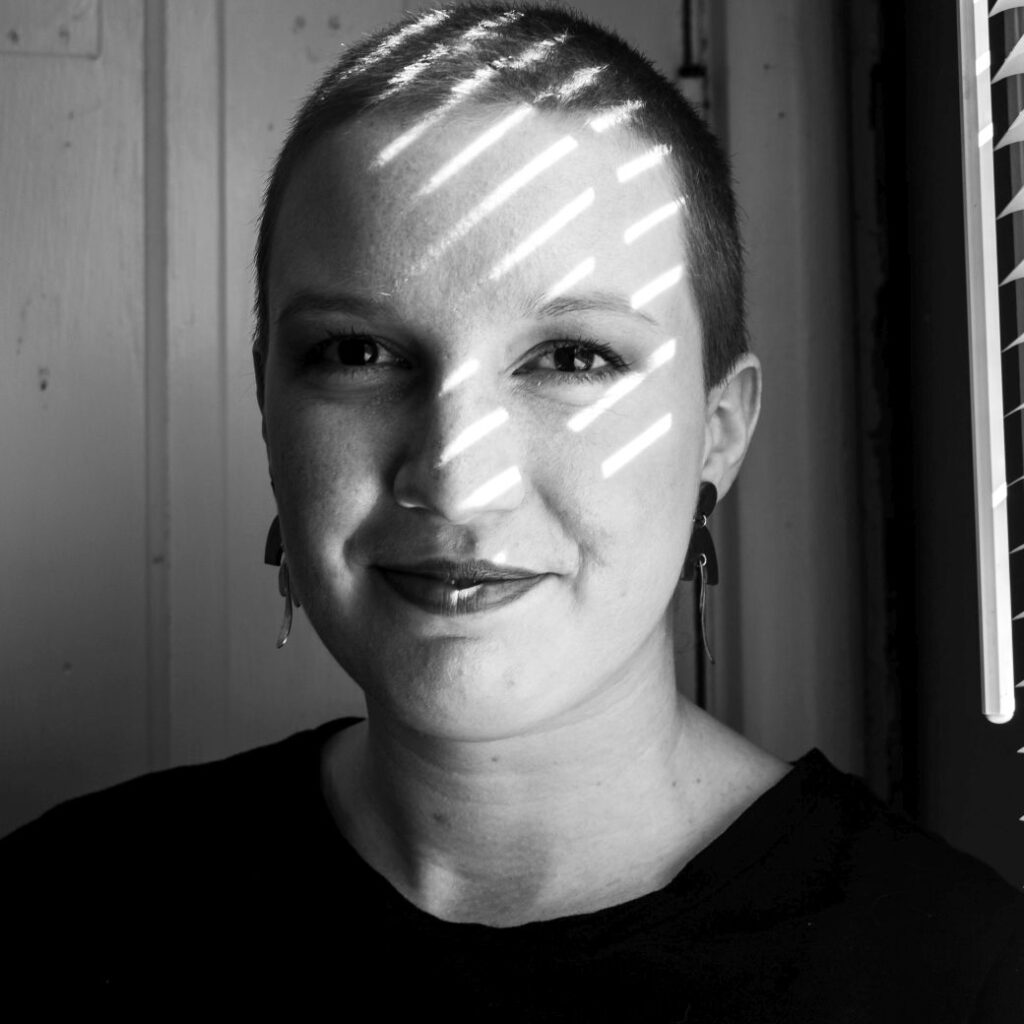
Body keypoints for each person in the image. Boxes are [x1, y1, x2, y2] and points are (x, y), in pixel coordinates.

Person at [3, 3, 1023, 1018]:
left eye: (572, 358)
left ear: (718, 429)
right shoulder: (60, 912)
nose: (457, 479)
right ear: (265, 400)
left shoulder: (946, 975)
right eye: (356, 353)